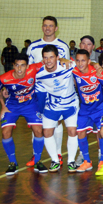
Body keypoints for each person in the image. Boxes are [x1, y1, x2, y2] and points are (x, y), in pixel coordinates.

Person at [0, 54, 46, 175]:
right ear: (13, 66)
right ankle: (13, 163)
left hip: (30, 104)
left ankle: (37, 161)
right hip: (12, 105)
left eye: (22, 65)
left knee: (39, 131)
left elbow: (49, 61)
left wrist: (65, 60)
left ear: (27, 66)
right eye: (17, 65)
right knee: (5, 132)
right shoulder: (4, 78)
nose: (19, 69)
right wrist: (3, 106)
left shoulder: (33, 69)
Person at [35, 45, 79, 173]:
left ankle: (71, 161)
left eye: (51, 57)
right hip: (52, 106)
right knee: (47, 133)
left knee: (72, 131)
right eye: (45, 58)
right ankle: (55, 160)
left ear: (58, 57)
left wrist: (96, 65)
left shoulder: (68, 65)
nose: (48, 61)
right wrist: (41, 112)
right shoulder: (40, 75)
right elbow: (40, 95)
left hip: (70, 104)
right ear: (43, 59)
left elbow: (85, 64)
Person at [71, 49, 103, 173]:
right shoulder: (74, 72)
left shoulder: (97, 72)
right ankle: (87, 161)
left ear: (89, 61)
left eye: (83, 61)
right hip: (85, 108)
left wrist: (98, 66)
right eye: (78, 61)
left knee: (101, 133)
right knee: (80, 132)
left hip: (100, 107)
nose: (80, 63)